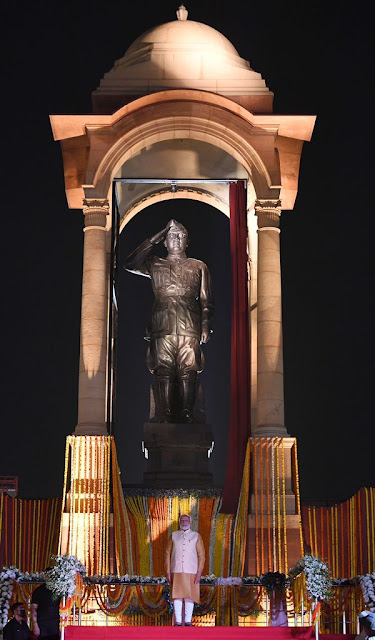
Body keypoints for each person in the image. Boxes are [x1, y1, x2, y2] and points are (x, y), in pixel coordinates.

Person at [124, 219, 214, 424]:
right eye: (172, 235)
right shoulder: (155, 263)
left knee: (188, 369)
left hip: (190, 322)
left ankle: (186, 412)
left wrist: (206, 324)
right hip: (162, 322)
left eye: (182, 235)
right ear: (164, 241)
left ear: (188, 241)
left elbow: (207, 299)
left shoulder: (198, 266)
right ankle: (163, 413)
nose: (177, 239)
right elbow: (130, 263)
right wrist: (156, 236)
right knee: (163, 369)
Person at [164, 513, 205, 626]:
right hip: (176, 569)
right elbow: (167, 554)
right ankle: (178, 621)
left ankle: (187, 621)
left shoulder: (196, 536)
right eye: (182, 520)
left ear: (190, 522)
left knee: (189, 596)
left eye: (186, 520)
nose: (184, 522)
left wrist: (199, 572)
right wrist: (167, 571)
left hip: (192, 570)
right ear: (179, 522)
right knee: (177, 595)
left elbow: (201, 555)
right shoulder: (173, 535)